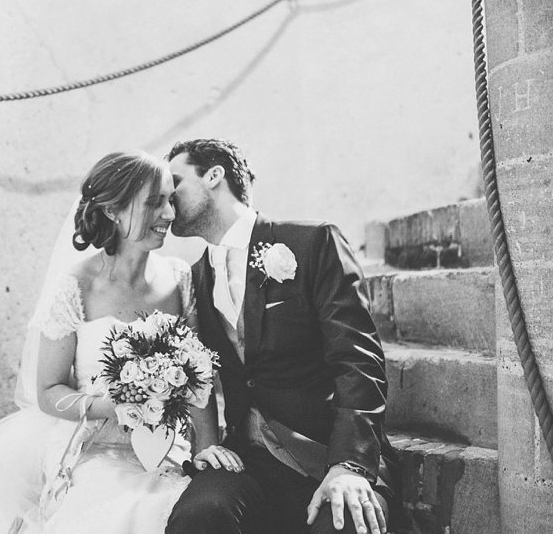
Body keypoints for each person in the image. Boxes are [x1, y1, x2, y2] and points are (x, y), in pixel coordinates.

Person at [0, 151, 241, 533]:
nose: (169, 215)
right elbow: (48, 390)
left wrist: (204, 449)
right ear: (113, 210)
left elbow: (199, 378)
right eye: (154, 203)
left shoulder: (180, 277)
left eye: (170, 200)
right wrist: (114, 405)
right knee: (130, 511)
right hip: (93, 450)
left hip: (166, 448)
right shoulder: (76, 287)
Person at [164, 139, 400, 534]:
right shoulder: (196, 277)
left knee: (346, 524)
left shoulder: (312, 243)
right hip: (248, 460)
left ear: (214, 175)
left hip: (325, 449)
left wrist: (349, 465)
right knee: (196, 518)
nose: (166, 196)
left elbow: (359, 360)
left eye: (175, 181)